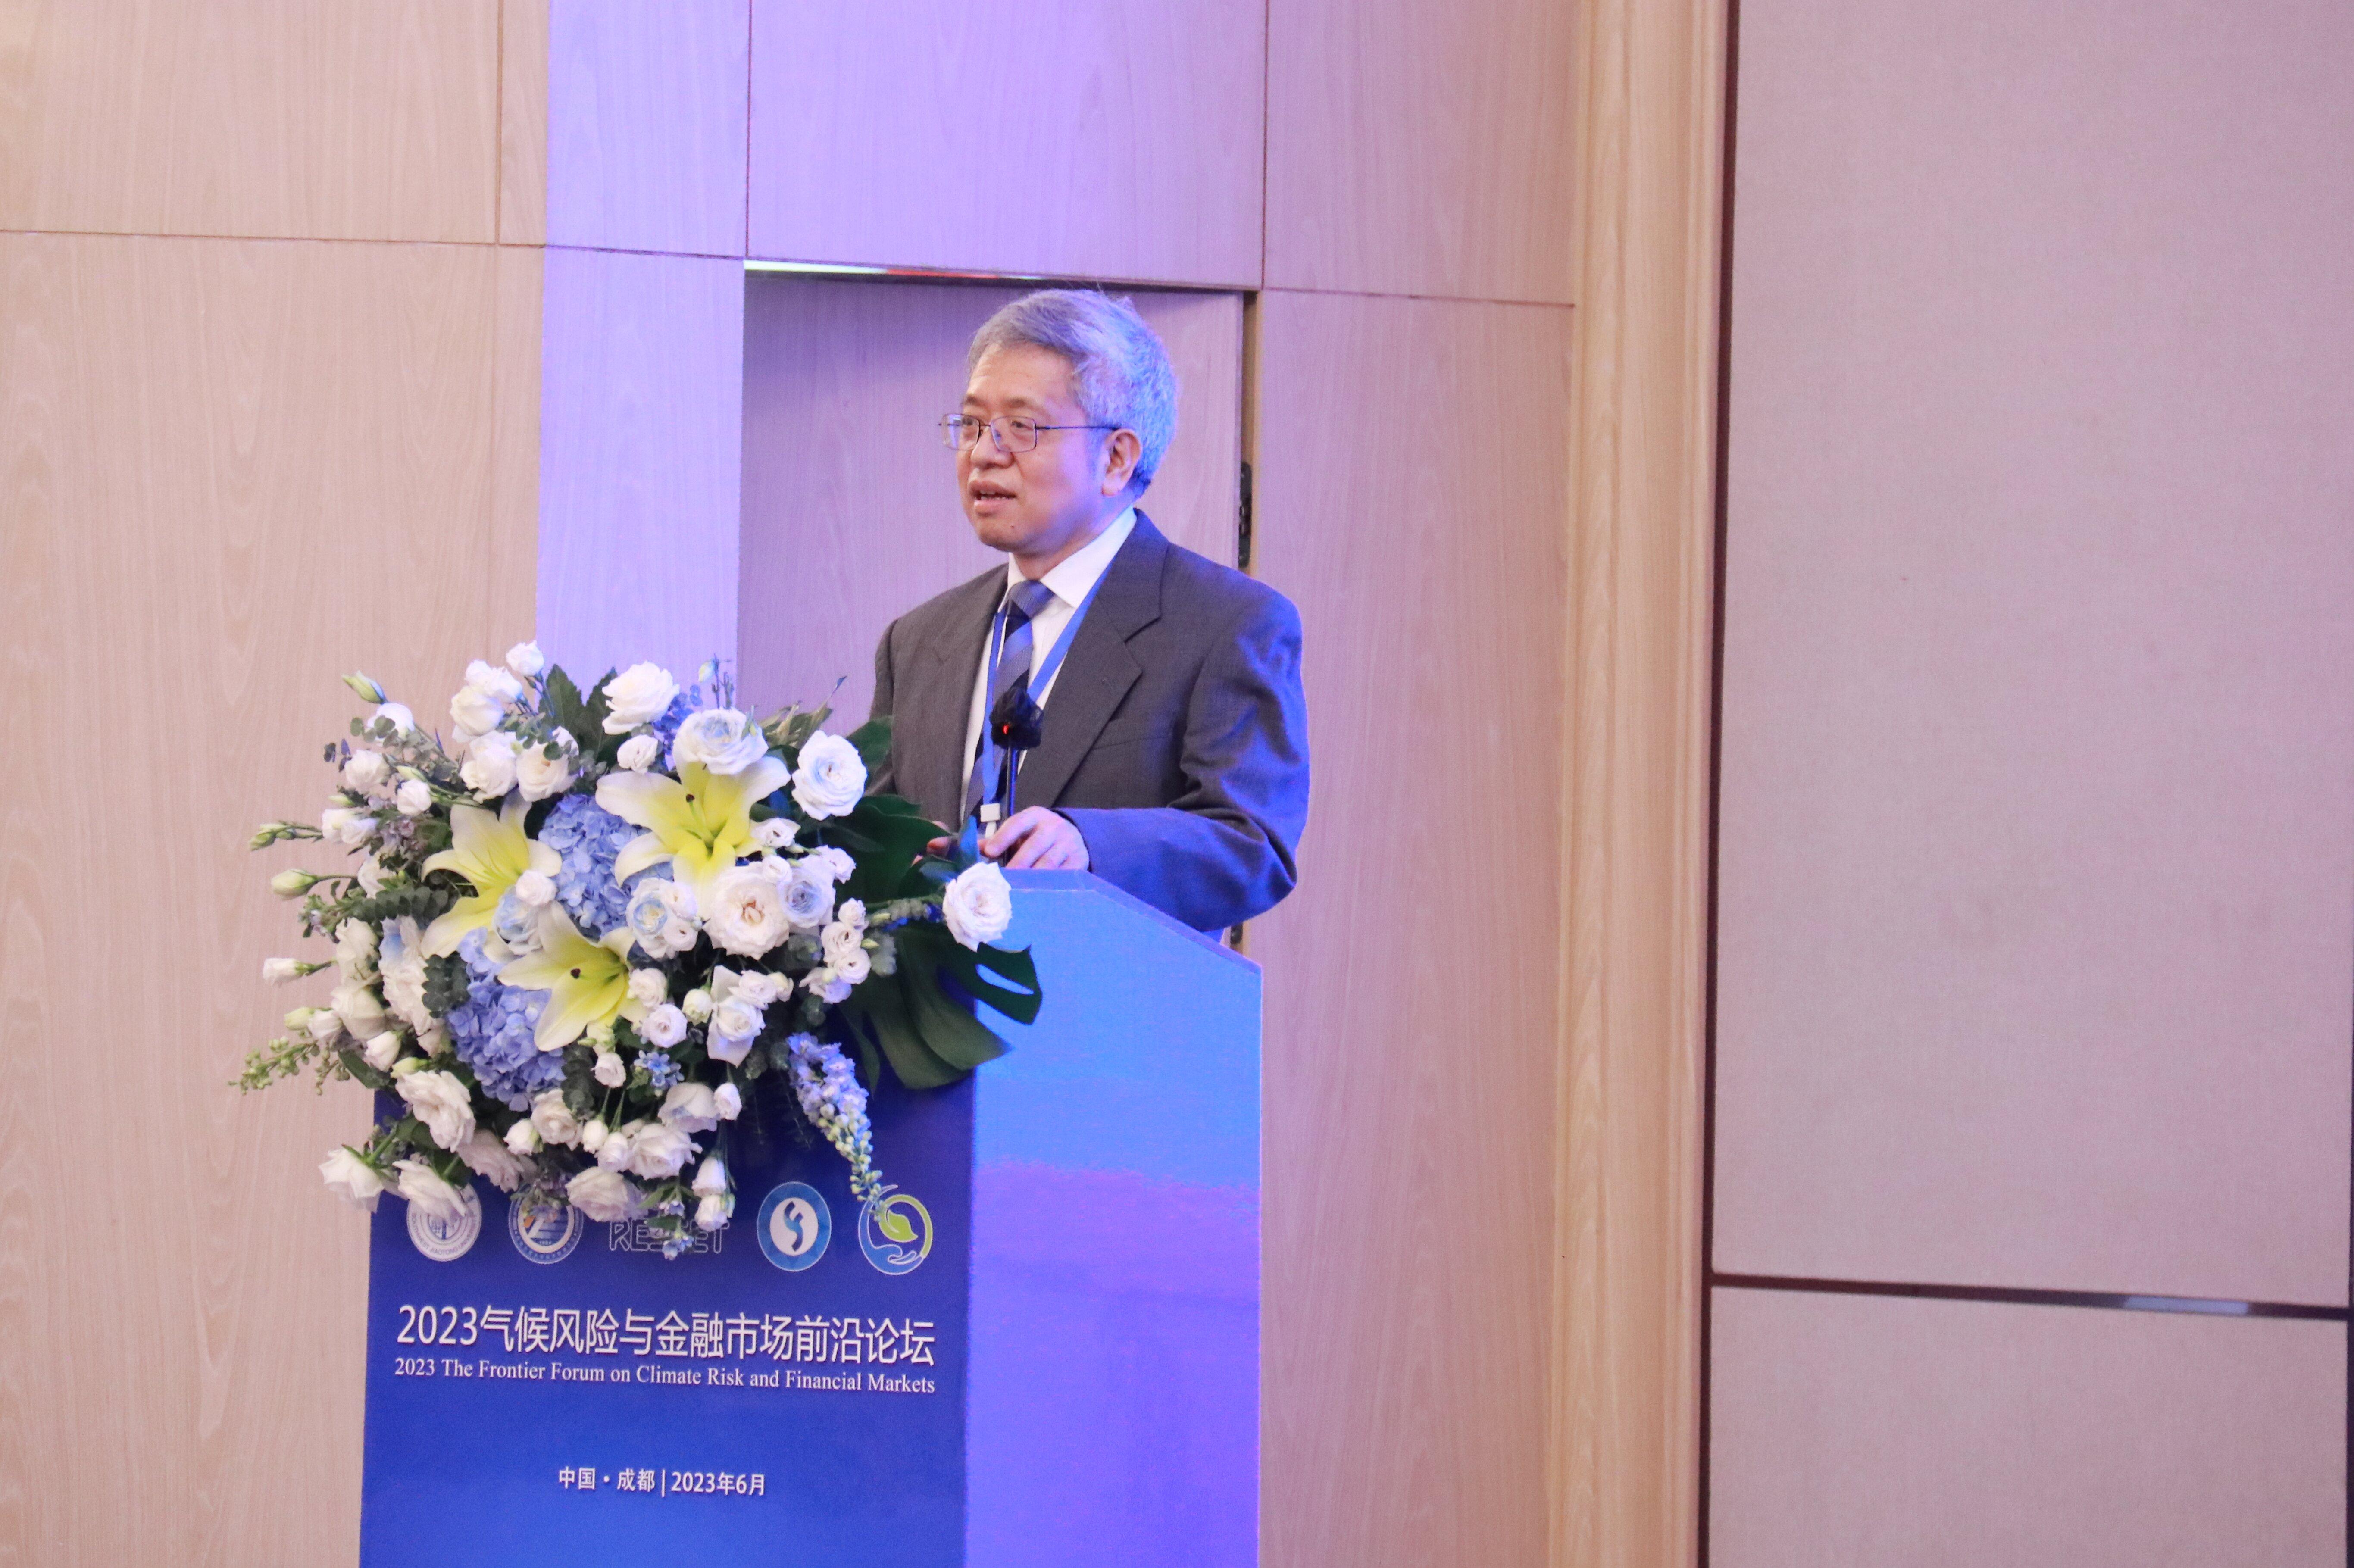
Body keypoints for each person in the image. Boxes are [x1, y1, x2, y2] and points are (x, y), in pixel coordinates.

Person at [866, 290, 1308, 933]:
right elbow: (869, 836)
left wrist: (1090, 845)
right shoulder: (917, 640)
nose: (983, 453)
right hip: (936, 992)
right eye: (973, 424)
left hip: (1114, 992)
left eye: (1022, 428)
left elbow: (1253, 846)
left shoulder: (1225, 624)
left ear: (1116, 459)